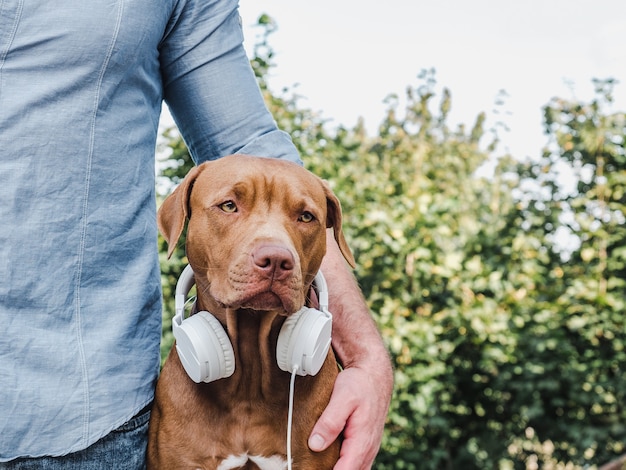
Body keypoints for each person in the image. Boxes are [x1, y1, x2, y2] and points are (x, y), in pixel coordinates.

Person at [0, 0, 393, 469]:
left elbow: (245, 141)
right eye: (230, 206)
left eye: (303, 219)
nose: (273, 248)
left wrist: (366, 360)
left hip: (83, 410)